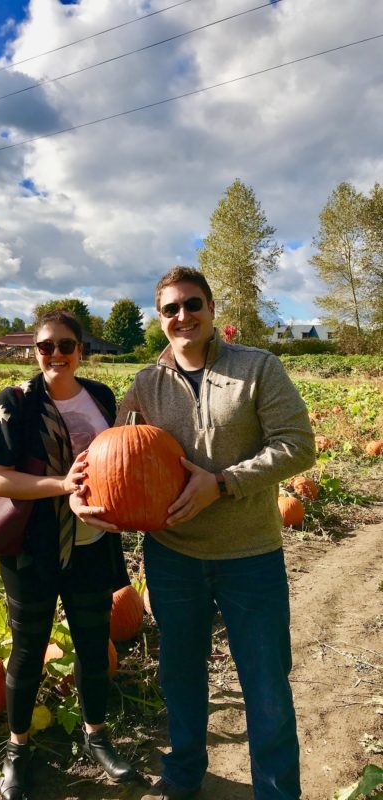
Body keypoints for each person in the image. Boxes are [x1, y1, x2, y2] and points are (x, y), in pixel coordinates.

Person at [72, 267, 315, 800]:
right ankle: (184, 772)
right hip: (172, 555)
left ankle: (276, 791)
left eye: (192, 304)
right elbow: (110, 454)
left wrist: (223, 483)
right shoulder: (145, 384)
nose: (183, 316)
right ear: (160, 319)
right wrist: (81, 495)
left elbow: (297, 444)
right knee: (180, 674)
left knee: (266, 683)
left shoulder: (258, 368)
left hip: (249, 554)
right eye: (170, 309)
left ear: (211, 309)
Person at [0, 309, 137, 800]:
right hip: (33, 550)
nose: (56, 355)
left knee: (92, 646)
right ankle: (17, 750)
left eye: (67, 346)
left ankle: (97, 736)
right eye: (46, 346)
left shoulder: (101, 397)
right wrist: (61, 486)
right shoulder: (16, 403)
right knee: (27, 653)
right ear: (34, 350)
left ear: (81, 350)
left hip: (91, 546)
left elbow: (125, 457)